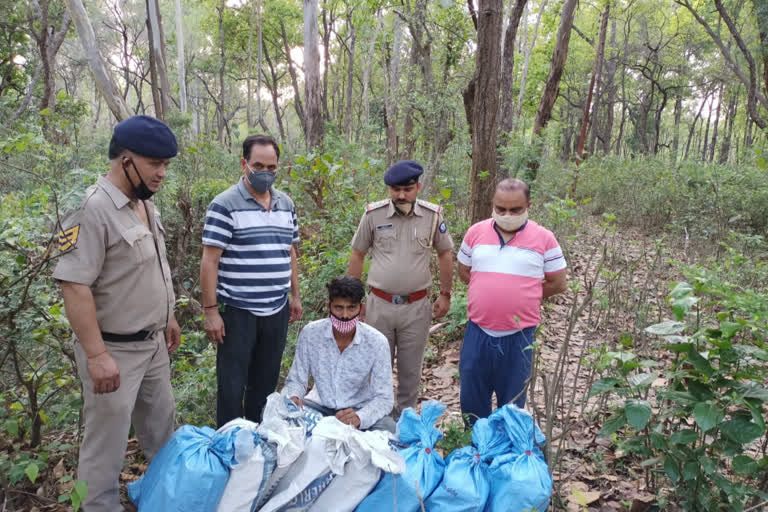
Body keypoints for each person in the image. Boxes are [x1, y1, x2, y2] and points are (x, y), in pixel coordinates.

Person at [54, 115, 180, 511]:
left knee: (164, 434)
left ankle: (168, 499)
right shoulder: (91, 209)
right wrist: (96, 355)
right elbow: (74, 285)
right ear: (125, 159)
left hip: (153, 344)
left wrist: (168, 317)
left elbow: (150, 267)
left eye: (166, 165)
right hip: (113, 350)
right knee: (104, 447)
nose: (162, 173)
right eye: (154, 164)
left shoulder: (144, 203)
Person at [200, 134, 302, 427]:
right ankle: (230, 447)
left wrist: (294, 296)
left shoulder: (286, 204)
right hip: (238, 312)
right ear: (244, 164)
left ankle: (259, 446)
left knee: (265, 383)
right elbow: (210, 260)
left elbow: (289, 252)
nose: (265, 173)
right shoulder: (224, 205)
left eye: (272, 167)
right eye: (258, 165)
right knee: (232, 386)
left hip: (276, 310)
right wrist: (211, 312)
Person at [457, 178, 567, 424]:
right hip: (478, 332)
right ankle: (476, 449)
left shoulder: (544, 238)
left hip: (519, 336)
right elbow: (464, 271)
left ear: (529, 205)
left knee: (512, 403)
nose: (507, 215)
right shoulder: (475, 232)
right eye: (500, 209)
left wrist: (523, 294)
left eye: (515, 210)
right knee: (472, 401)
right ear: (493, 205)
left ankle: (506, 453)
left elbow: (558, 282)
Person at [348, 160, 454, 416]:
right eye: (395, 189)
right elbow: (358, 254)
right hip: (379, 306)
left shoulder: (432, 216)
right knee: (375, 369)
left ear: (418, 187)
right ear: (389, 190)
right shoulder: (373, 215)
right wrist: (354, 301)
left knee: (410, 371)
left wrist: (445, 294)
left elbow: (445, 253)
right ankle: (375, 423)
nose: (401, 195)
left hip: (416, 308)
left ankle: (405, 425)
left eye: (407, 189)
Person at [282, 276, 395, 432]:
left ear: (361, 309)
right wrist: (293, 397)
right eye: (338, 308)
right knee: (277, 413)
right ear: (329, 306)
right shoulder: (311, 334)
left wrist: (360, 417)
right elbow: (296, 380)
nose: (345, 315)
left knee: (388, 427)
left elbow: (384, 398)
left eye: (351, 308)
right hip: (318, 408)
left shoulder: (376, 342)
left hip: (357, 410)